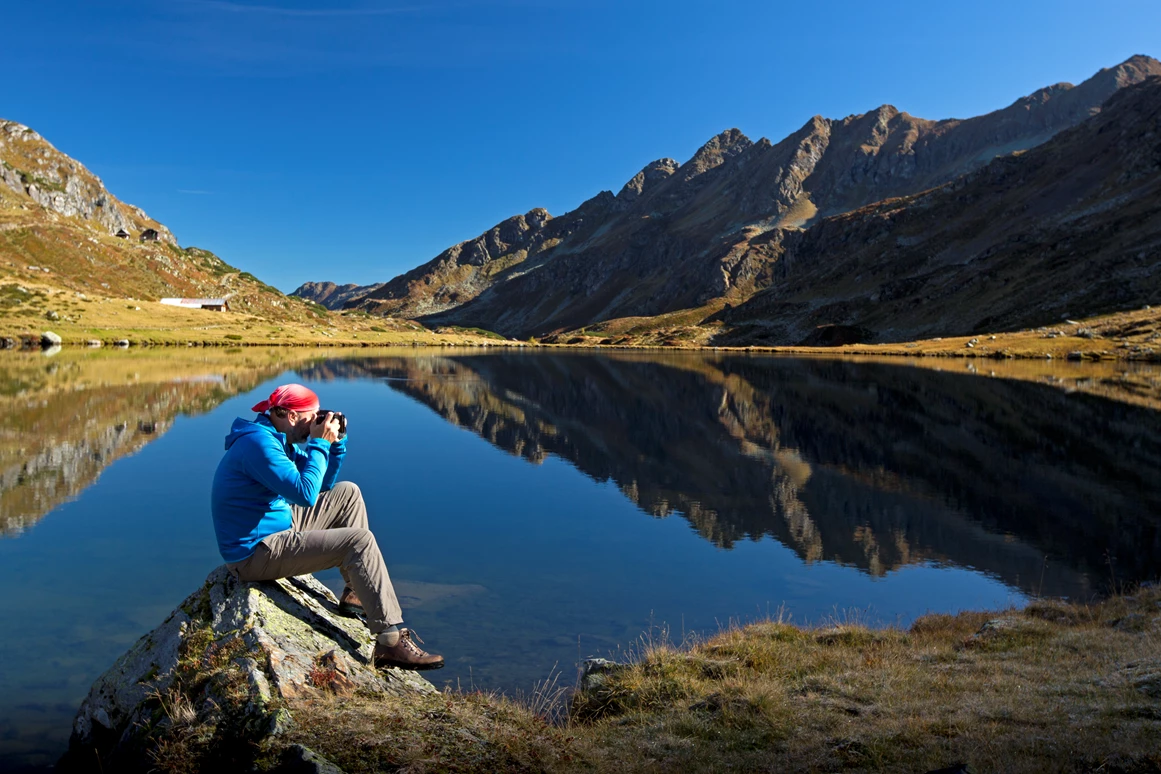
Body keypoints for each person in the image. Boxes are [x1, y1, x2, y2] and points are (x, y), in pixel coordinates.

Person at [210, 383, 443, 671]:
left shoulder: (274, 436)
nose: (315, 425)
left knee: (347, 493)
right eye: (312, 418)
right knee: (359, 542)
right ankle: (389, 640)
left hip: (273, 528)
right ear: (290, 415)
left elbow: (323, 486)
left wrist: (336, 444)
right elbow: (306, 494)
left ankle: (355, 592)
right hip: (253, 553)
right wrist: (320, 443)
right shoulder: (257, 444)